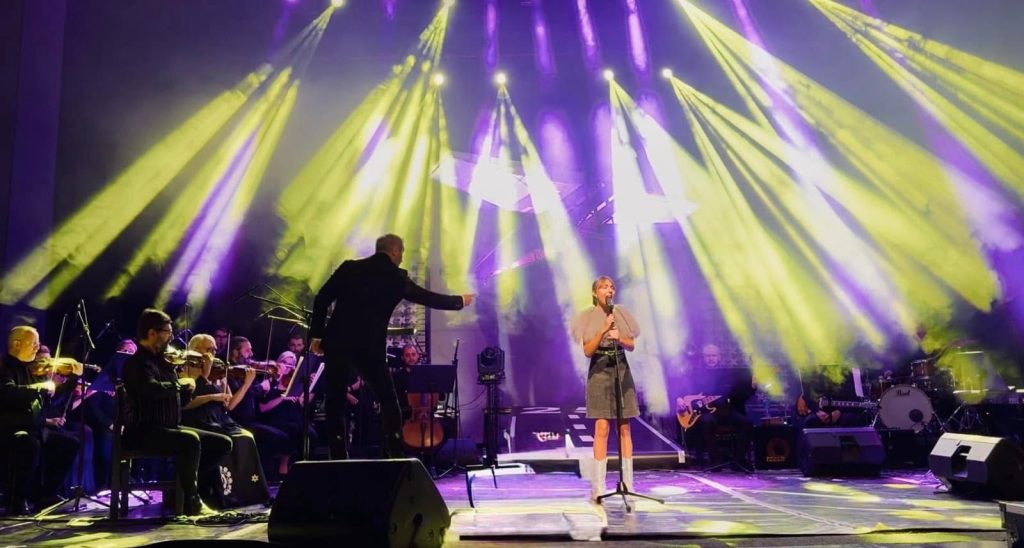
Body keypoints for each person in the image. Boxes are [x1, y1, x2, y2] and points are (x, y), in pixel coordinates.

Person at [309, 234, 473, 459]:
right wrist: (459, 301)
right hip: (369, 348)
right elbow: (428, 298)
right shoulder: (396, 278)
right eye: (401, 253)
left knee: (335, 403)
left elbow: (321, 298)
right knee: (388, 401)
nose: (402, 258)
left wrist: (317, 335)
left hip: (338, 343)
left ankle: (337, 458)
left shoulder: (349, 268)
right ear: (395, 251)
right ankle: (394, 455)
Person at [121, 309, 231, 515]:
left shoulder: (166, 363)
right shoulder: (137, 363)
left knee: (222, 442)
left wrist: (191, 385)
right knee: (190, 440)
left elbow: (181, 401)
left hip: (170, 427)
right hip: (143, 431)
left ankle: (184, 487)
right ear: (152, 333)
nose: (171, 338)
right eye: (168, 333)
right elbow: (151, 390)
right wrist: (181, 384)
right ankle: (192, 500)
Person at [572, 276, 640, 502]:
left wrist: (620, 338)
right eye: (603, 287)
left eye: (611, 287)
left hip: (620, 369)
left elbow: (631, 345)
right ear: (595, 293)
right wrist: (602, 331)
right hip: (599, 370)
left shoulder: (621, 313)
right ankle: (598, 486)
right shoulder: (587, 316)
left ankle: (628, 482)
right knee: (602, 427)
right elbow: (587, 351)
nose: (609, 290)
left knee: (624, 427)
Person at [0, 326, 81, 513]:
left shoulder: (34, 370)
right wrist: (39, 387)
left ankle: (45, 496)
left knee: (69, 444)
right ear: (16, 344)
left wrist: (72, 379)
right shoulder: (4, 366)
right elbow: (7, 392)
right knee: (29, 444)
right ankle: (16, 501)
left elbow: (53, 398)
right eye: (34, 343)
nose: (37, 347)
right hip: (10, 427)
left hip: (35, 427)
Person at [681, 343, 755, 468]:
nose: (711, 358)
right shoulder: (696, 374)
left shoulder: (729, 374)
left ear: (719, 357)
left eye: (714, 355)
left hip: (726, 410)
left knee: (747, 423)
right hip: (706, 412)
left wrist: (752, 388)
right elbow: (685, 390)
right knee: (707, 421)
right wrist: (680, 400)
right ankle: (715, 460)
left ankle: (739, 460)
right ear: (703, 357)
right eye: (708, 356)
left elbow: (740, 394)